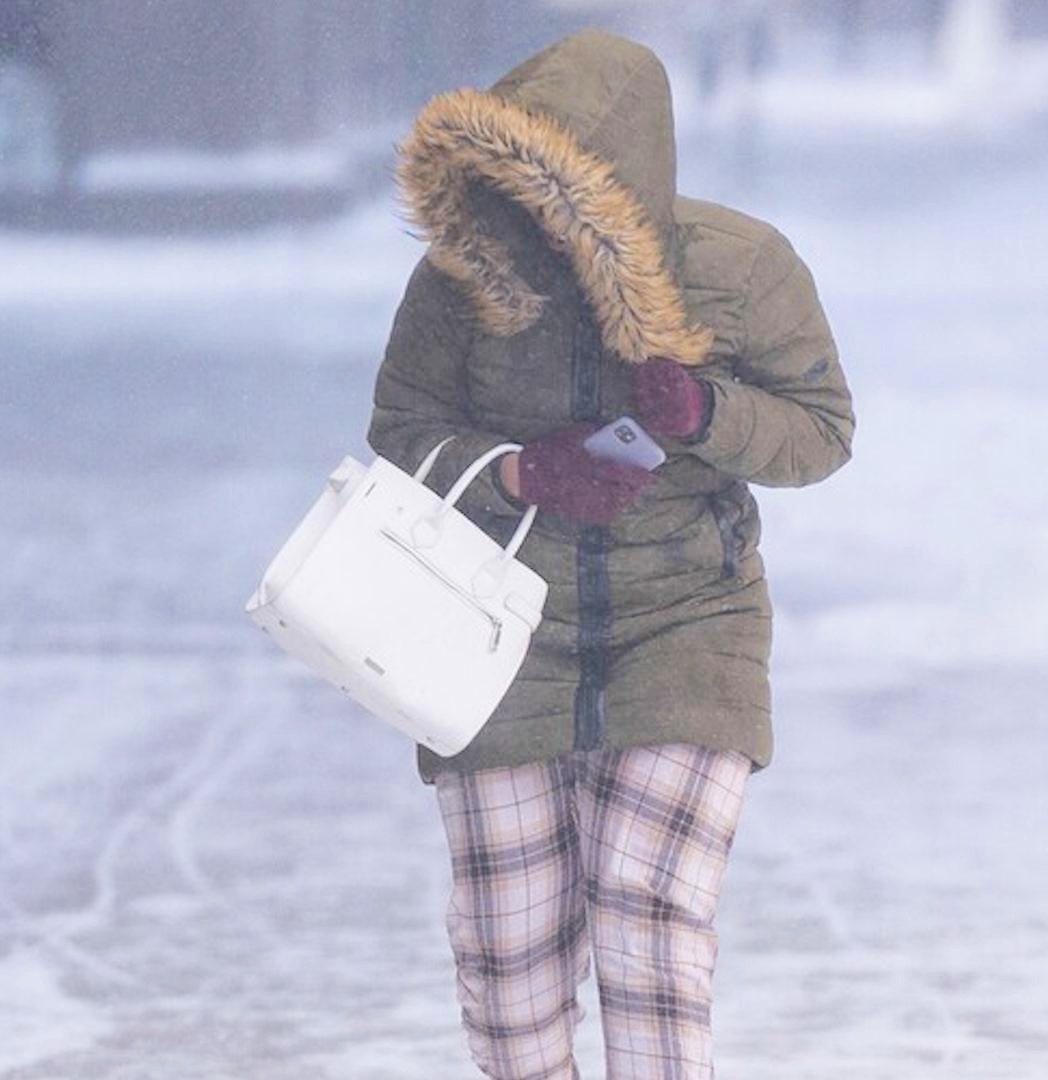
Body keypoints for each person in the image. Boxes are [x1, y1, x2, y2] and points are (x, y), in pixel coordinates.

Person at [363, 29, 855, 1080]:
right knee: (509, 963)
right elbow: (402, 430)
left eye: (559, 194)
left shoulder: (740, 269)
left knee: (648, 906)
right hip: (496, 637)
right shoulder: (458, 284)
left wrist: (708, 410)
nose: (536, 221)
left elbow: (821, 430)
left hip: (686, 625)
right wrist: (515, 476)